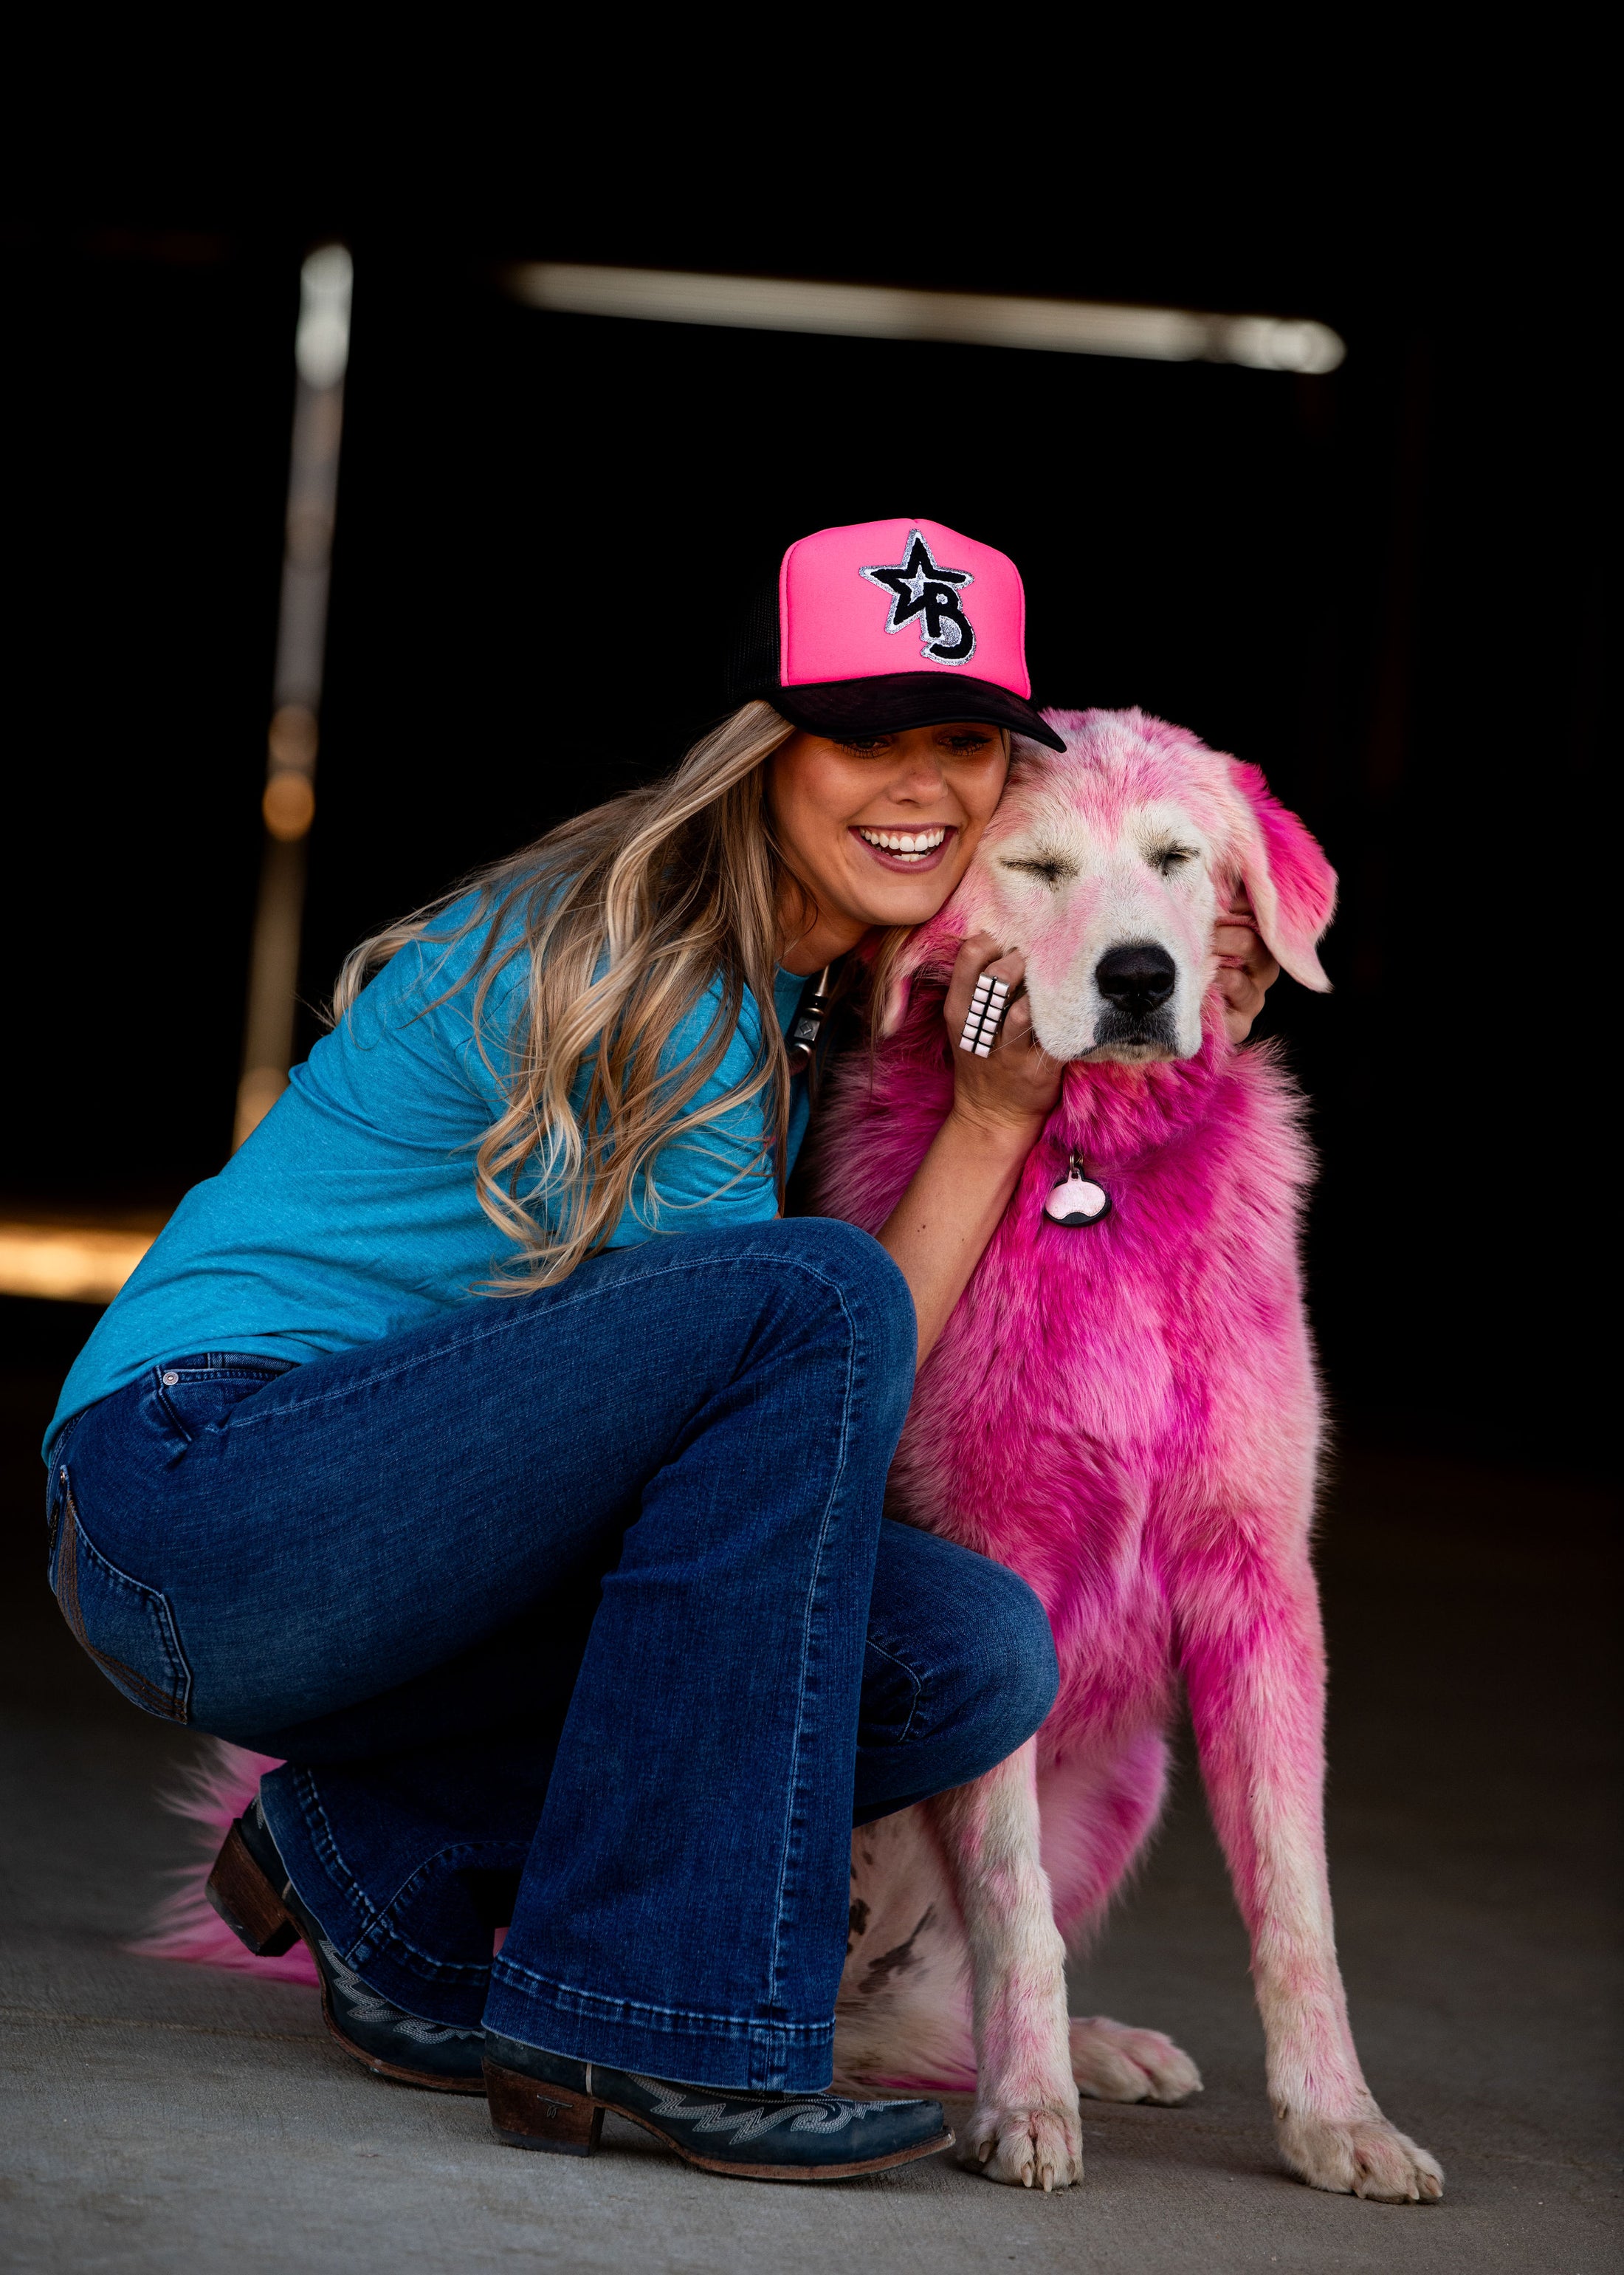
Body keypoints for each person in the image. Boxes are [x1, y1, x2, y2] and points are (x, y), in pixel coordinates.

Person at [42, 518, 1277, 2182]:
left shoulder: (811, 986)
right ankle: (649, 2016)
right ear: (767, 746)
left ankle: (369, 1854)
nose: (916, 784)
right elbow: (814, 1360)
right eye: (862, 734)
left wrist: (1036, 1070)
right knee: (810, 1300)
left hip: (405, 1555)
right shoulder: (647, 952)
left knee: (968, 1650)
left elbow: (786, 1436)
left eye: (964, 743)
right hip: (200, 1496)